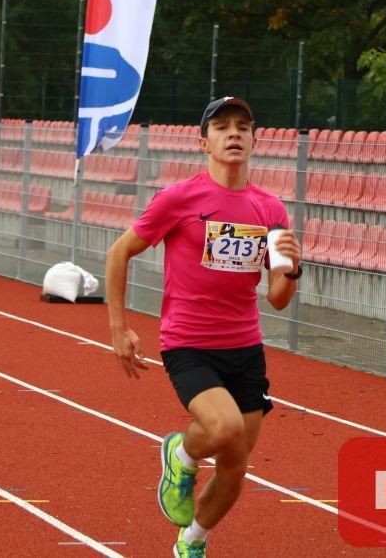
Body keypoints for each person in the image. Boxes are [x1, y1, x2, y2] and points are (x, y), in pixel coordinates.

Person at [105, 97, 303, 557]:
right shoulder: (180, 198)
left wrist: (292, 270)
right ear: (204, 143)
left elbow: (277, 298)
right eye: (222, 127)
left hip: (245, 349)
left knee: (235, 468)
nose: (234, 133)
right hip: (189, 344)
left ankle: (191, 541)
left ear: (254, 141)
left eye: (243, 127)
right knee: (225, 428)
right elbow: (119, 253)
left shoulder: (271, 210)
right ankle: (181, 454)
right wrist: (119, 329)